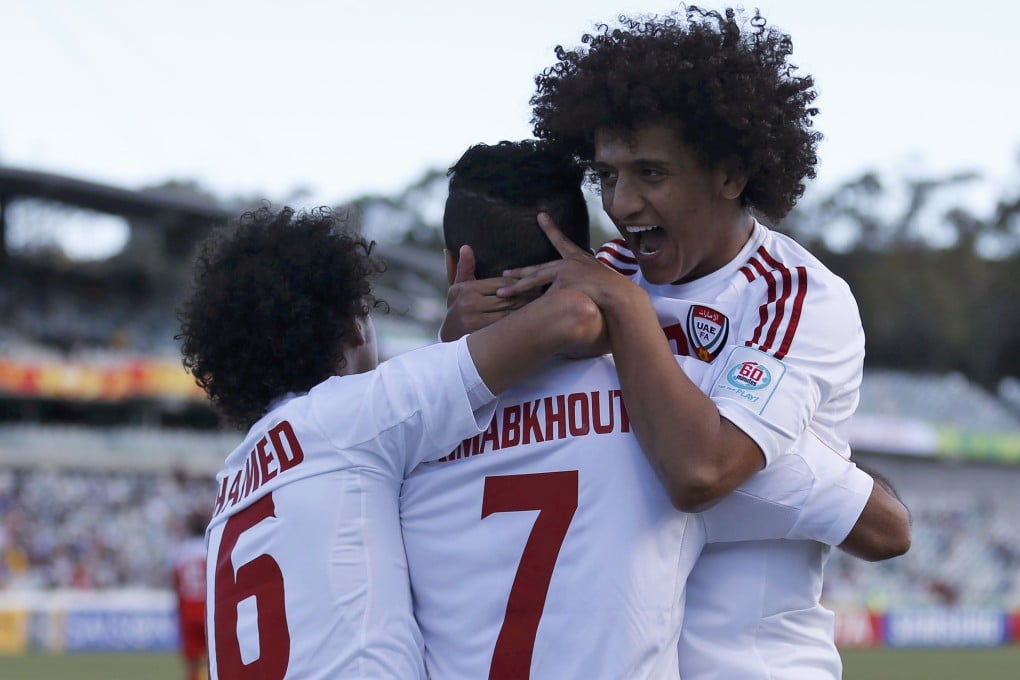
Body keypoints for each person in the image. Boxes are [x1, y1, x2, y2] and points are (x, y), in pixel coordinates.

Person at [450, 7, 911, 678]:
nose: (623, 203)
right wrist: (459, 336)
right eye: (606, 176)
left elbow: (700, 471)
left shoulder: (793, 295)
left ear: (729, 173)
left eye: (651, 174)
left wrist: (627, 317)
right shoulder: (602, 276)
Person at [175, 204, 607, 678]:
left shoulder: (232, 483)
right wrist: (461, 331)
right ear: (352, 326)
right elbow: (572, 315)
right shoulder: (351, 412)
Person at [171, 512, 208, 680]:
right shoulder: (211, 547)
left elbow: (176, 585)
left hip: (188, 609)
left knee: (193, 664)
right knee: (216, 660)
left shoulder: (180, 553)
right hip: (209, 609)